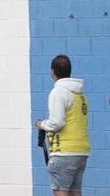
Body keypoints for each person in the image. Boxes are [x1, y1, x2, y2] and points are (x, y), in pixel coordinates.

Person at [37, 54, 89, 196]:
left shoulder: (58, 92)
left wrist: (42, 125)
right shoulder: (80, 94)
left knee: (61, 192)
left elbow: (56, 123)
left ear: (52, 71)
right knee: (75, 192)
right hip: (81, 152)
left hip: (63, 153)